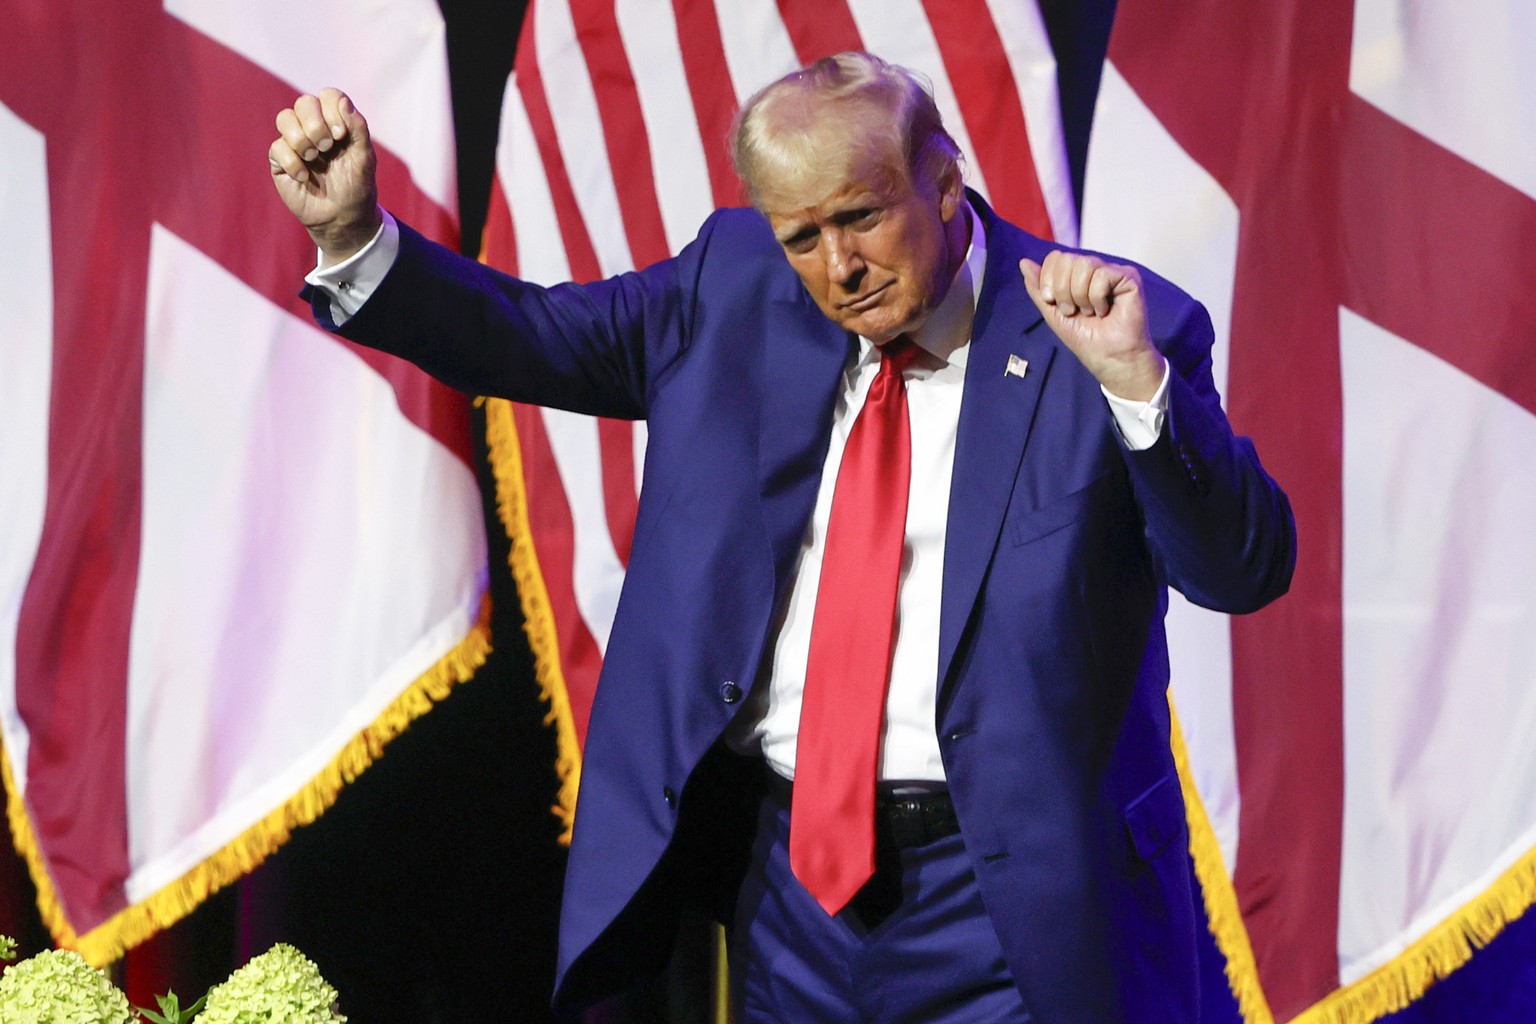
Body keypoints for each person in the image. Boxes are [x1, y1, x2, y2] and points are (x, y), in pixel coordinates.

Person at [270, 52, 1294, 1024]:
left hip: (1013, 897)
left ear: (942, 182)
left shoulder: (1102, 324)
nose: (838, 266)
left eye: (860, 217)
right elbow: (527, 335)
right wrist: (359, 238)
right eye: (802, 236)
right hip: (792, 893)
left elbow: (1242, 568)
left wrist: (1139, 391)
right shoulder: (732, 288)